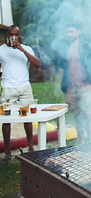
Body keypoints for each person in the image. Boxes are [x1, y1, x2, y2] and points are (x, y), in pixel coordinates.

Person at [0, 25, 41, 163]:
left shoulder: (27, 48)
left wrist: (21, 49)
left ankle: (30, 146)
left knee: (27, 117)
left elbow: (37, 64)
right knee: (6, 120)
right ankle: (7, 151)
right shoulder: (1, 50)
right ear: (7, 35)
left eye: (16, 34)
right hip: (8, 88)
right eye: (11, 34)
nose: (13, 37)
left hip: (24, 87)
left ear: (19, 35)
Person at [57, 24, 91, 144]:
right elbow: (61, 69)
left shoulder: (86, 46)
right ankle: (81, 138)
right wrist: (63, 87)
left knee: (87, 113)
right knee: (76, 114)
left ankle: (90, 138)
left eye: (71, 32)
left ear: (78, 32)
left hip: (84, 86)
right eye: (67, 32)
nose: (69, 34)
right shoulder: (64, 48)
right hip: (70, 87)